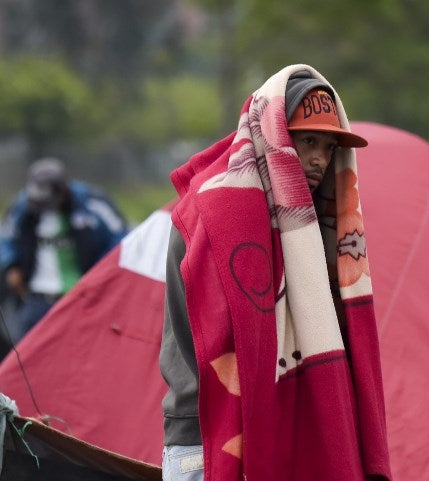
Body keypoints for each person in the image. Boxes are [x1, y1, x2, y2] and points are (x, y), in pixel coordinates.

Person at [159, 65, 391, 481]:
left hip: (299, 430)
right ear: (274, 134)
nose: (321, 157)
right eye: (308, 141)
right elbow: (216, 337)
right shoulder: (213, 213)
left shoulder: (328, 228)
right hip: (206, 437)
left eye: (330, 146)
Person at [0, 157, 128, 343]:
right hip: (37, 299)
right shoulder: (23, 205)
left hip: (83, 297)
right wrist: (11, 265)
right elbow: (5, 238)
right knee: (29, 362)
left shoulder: (92, 203)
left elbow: (121, 239)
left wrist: (101, 274)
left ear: (64, 190)